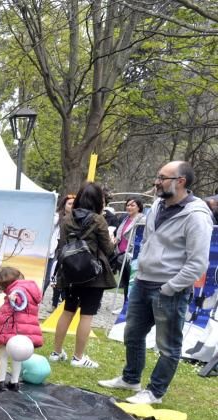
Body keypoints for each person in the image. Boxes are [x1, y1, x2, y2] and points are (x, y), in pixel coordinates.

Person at [98, 161, 212, 404]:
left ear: (180, 181)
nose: (156, 181)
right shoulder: (158, 205)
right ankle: (131, 379)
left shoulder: (197, 216)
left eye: (162, 177)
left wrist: (169, 288)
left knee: (168, 346)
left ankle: (155, 392)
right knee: (133, 334)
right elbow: (150, 242)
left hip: (169, 290)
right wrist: (140, 273)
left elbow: (198, 263)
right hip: (143, 282)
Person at [48, 182, 116, 369]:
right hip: (93, 274)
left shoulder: (67, 219)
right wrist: (112, 241)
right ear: (97, 201)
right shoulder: (98, 220)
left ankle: (56, 352)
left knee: (67, 310)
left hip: (70, 272)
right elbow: (108, 249)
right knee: (87, 315)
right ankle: (78, 357)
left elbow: (62, 244)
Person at [0, 267, 43, 391]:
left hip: (12, 330)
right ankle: (14, 382)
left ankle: (0, 381)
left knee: (3, 355)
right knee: (17, 356)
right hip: (24, 332)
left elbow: (18, 301)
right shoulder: (29, 290)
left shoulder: (17, 290)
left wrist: (13, 297)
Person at [113, 197, 146, 311]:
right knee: (125, 282)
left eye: (132, 205)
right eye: (128, 205)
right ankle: (124, 305)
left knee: (131, 282)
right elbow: (120, 234)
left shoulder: (142, 220)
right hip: (120, 253)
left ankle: (129, 306)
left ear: (139, 207)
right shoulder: (125, 218)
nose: (129, 207)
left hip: (132, 255)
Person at [43, 194, 74, 308]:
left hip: (67, 251)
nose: (72, 206)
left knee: (60, 278)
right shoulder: (56, 218)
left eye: (74, 204)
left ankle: (57, 304)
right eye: (70, 204)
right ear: (64, 204)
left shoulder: (76, 218)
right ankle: (39, 298)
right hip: (54, 251)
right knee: (47, 278)